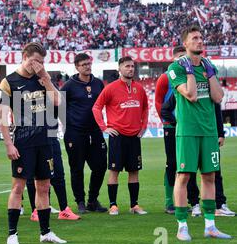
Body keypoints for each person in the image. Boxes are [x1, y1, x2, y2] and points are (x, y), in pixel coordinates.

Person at [0, 42, 67, 244]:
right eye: (34, 60)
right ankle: (12, 234)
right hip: (23, 141)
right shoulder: (9, 81)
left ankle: (45, 232)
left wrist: (45, 77)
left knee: (44, 186)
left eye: (41, 61)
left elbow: (58, 102)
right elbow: (2, 116)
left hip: (45, 140)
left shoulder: (42, 78)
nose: (37, 65)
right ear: (24, 56)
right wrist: (8, 144)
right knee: (18, 187)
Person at [167, 25, 231, 241]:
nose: (200, 41)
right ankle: (182, 226)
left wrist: (209, 72)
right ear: (185, 43)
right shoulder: (175, 68)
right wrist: (189, 71)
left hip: (209, 131)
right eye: (195, 38)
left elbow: (218, 96)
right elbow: (192, 95)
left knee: (209, 176)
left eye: (201, 37)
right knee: (184, 176)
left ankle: (210, 226)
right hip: (188, 132)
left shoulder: (207, 65)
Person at [92, 56, 148, 216]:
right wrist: (104, 127)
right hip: (117, 136)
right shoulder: (111, 88)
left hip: (134, 137)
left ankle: (134, 205)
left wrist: (143, 126)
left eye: (132, 66)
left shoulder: (140, 88)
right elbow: (96, 108)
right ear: (120, 69)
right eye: (127, 66)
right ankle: (113, 205)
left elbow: (145, 107)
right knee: (114, 171)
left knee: (134, 171)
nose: (130, 69)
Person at [26, 80, 80, 222]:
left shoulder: (52, 92)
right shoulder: (27, 91)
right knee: (33, 176)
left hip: (51, 136)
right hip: (31, 138)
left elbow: (60, 106)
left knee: (59, 174)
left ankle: (64, 210)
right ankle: (35, 210)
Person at [61, 53, 108, 214]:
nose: (87, 66)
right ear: (77, 67)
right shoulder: (68, 85)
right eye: (83, 65)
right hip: (75, 133)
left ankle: (92, 200)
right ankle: (80, 201)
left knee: (101, 166)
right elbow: (58, 107)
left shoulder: (98, 84)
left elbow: (104, 104)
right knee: (77, 168)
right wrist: (69, 124)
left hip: (95, 132)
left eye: (88, 63)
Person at [155, 46, 187, 214]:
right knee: (172, 163)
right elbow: (159, 102)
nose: (182, 59)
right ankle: (169, 202)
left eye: (185, 56)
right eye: (180, 56)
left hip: (188, 127)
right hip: (171, 126)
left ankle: (186, 200)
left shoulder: (191, 76)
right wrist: (167, 122)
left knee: (186, 164)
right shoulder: (165, 77)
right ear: (174, 58)